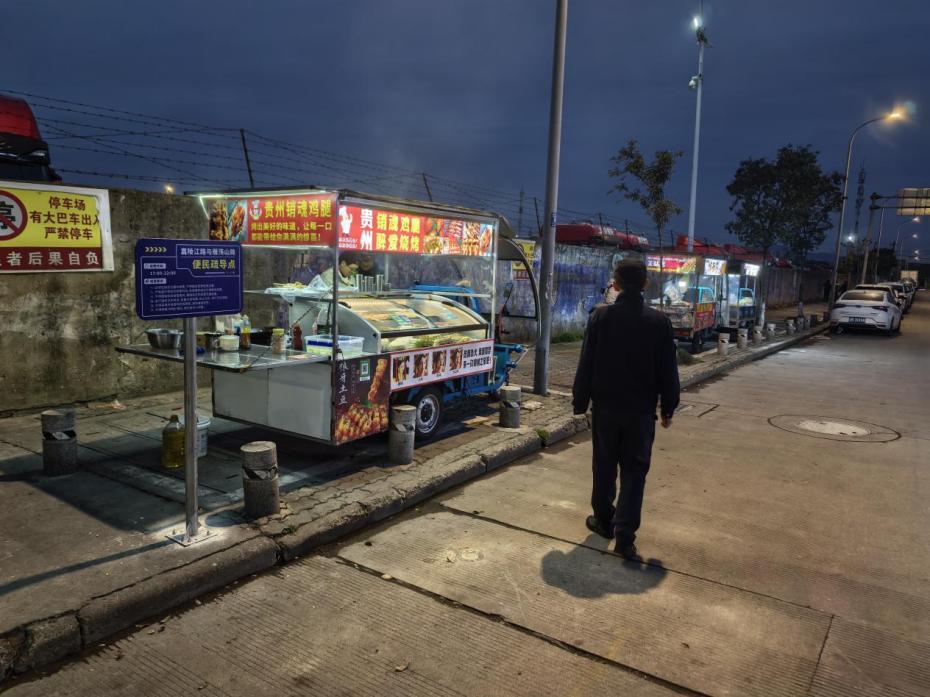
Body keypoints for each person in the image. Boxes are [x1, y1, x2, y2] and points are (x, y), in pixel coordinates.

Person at [572, 259, 680, 560]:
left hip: (606, 409)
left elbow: (586, 363)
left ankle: (603, 520)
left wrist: (580, 402)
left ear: (616, 284)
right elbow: (668, 370)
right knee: (635, 472)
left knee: (604, 466)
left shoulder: (600, 317)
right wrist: (668, 408)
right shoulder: (659, 322)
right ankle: (625, 538)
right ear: (645, 284)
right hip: (641, 413)